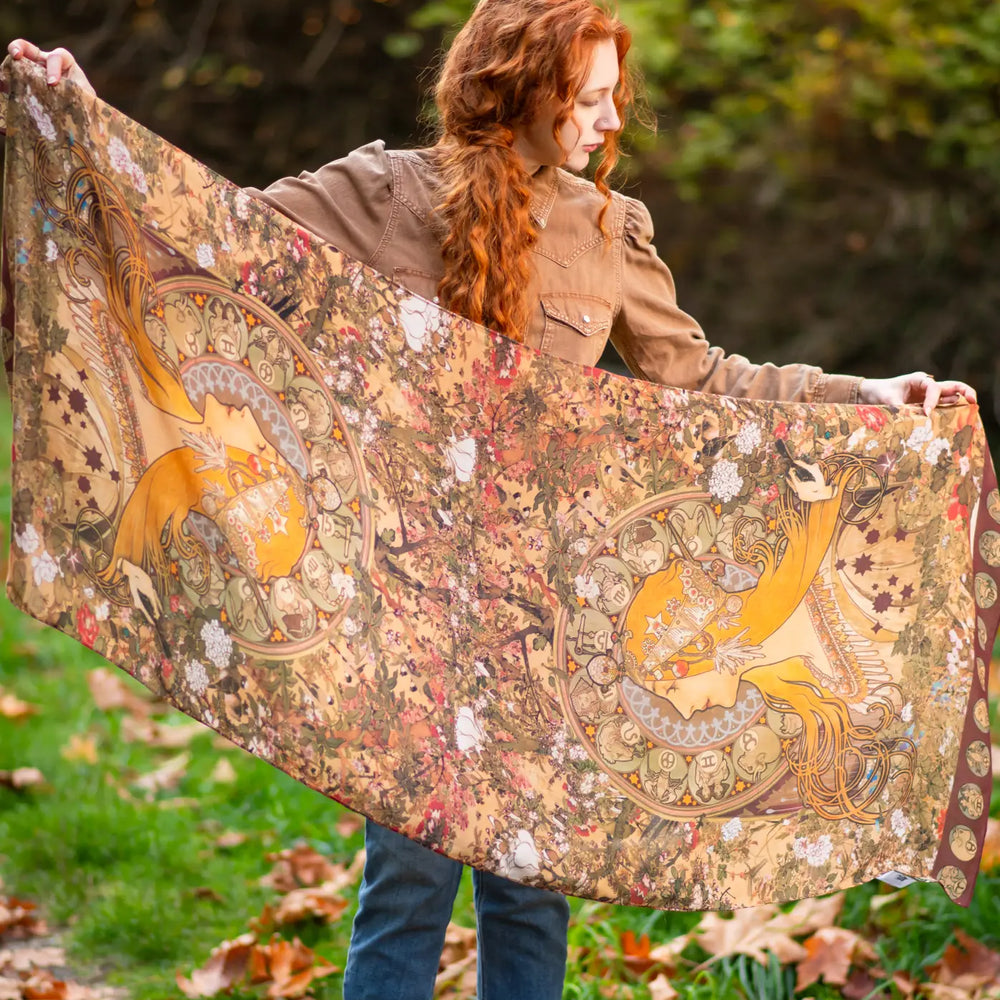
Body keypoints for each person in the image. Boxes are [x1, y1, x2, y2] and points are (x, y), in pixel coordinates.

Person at [7, 2, 978, 997]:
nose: (607, 123)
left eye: (613, 101)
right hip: (404, 588)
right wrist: (81, 116)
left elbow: (700, 376)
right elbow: (207, 229)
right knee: (411, 871)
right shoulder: (383, 191)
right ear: (524, 92)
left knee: (528, 883)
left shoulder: (607, 232)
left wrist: (865, 395)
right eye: (588, 100)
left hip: (543, 604)